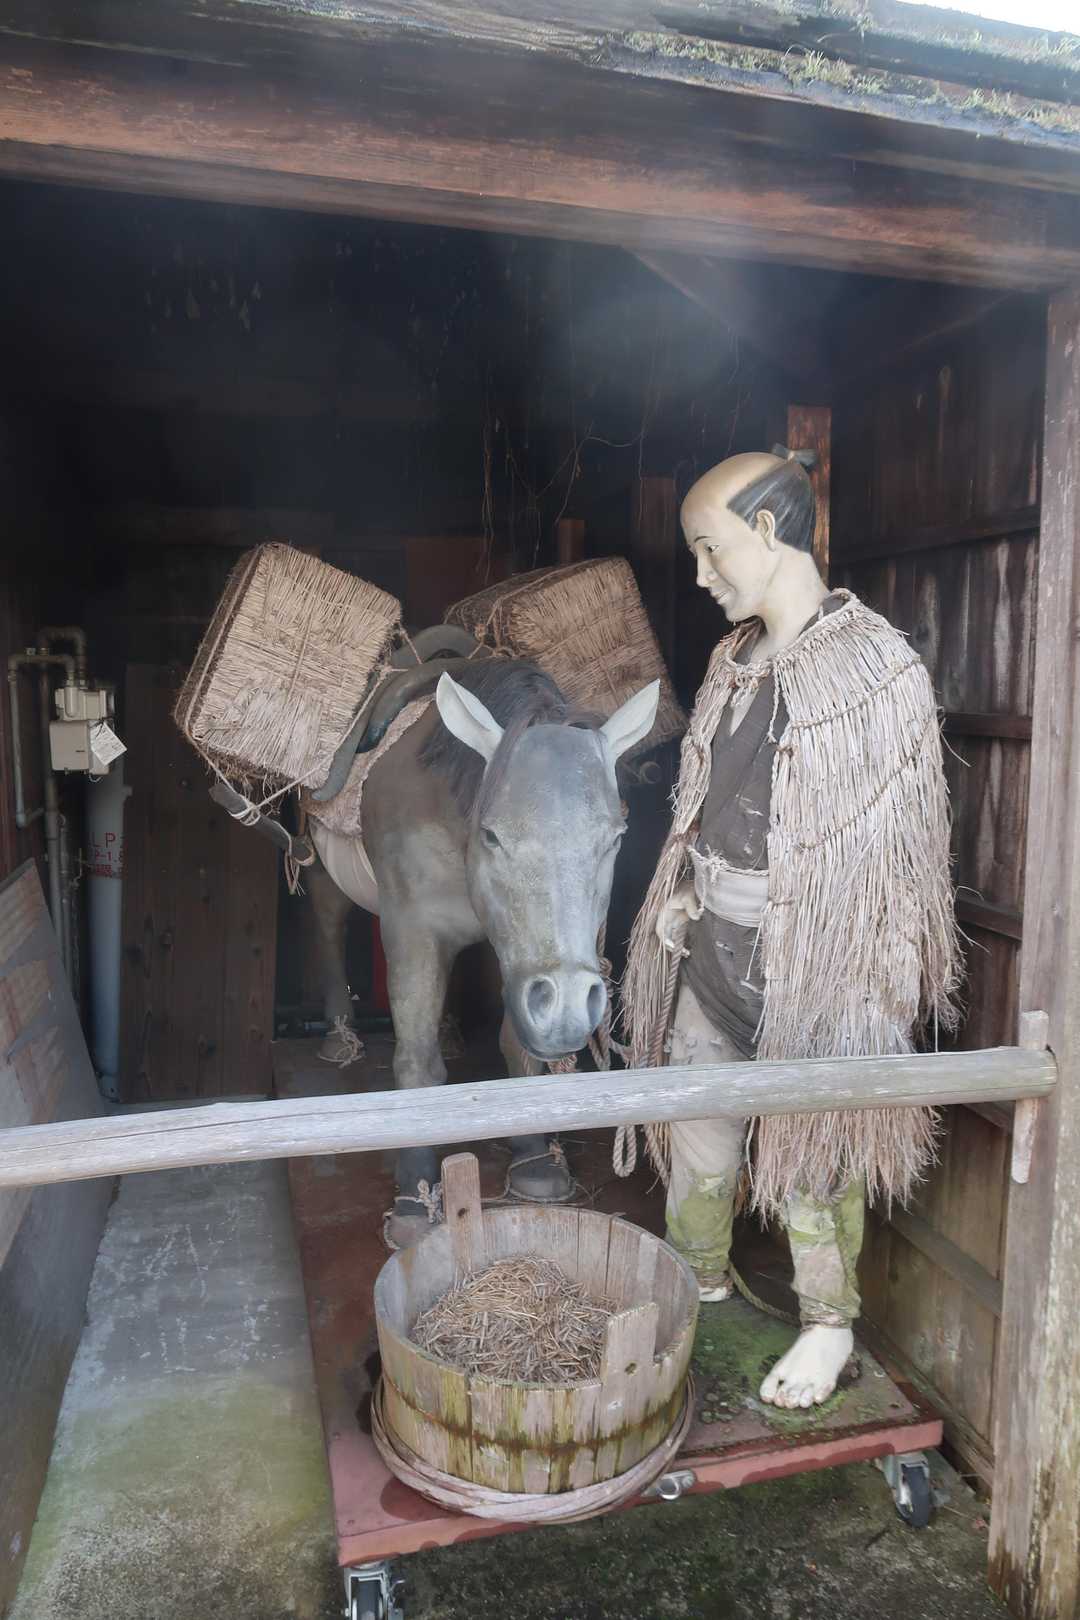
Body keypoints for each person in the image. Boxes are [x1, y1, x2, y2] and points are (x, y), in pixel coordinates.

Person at [622, 447, 961, 1409]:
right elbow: (700, 808)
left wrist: (870, 972)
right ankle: (698, 1277)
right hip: (711, 951)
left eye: (710, 549)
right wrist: (688, 897)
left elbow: (903, 857)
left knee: (818, 1146)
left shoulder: (877, 671)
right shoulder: (729, 664)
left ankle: (828, 1322)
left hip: (821, 965)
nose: (701, 575)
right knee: (698, 1125)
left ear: (768, 530)